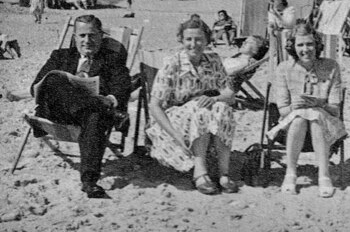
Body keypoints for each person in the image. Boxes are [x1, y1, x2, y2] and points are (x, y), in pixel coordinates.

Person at [30, 15, 131, 198]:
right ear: (74, 37)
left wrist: (109, 98)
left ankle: (89, 181)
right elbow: (35, 86)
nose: (87, 41)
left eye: (92, 35)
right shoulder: (60, 56)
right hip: (57, 111)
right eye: (82, 35)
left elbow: (122, 87)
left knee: (95, 116)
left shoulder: (112, 60)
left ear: (101, 36)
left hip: (89, 117)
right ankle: (99, 107)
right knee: (54, 80)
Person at [147, 17, 239, 195]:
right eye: (189, 39)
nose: (193, 44)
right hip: (173, 120)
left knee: (222, 107)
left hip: (203, 114)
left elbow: (230, 95)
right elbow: (155, 106)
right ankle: (200, 171)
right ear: (181, 40)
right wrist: (175, 135)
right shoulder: (173, 63)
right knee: (201, 108)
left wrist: (215, 99)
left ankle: (224, 173)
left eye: (199, 39)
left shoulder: (213, 60)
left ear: (207, 41)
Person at [268, 24, 347, 197]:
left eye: (310, 44)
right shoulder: (283, 68)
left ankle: (323, 175)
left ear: (317, 45)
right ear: (293, 47)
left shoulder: (331, 66)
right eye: (300, 45)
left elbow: (335, 110)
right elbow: (282, 110)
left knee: (315, 115)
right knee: (300, 117)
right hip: (292, 123)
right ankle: (291, 173)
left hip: (325, 122)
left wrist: (320, 104)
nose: (305, 49)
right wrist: (296, 106)